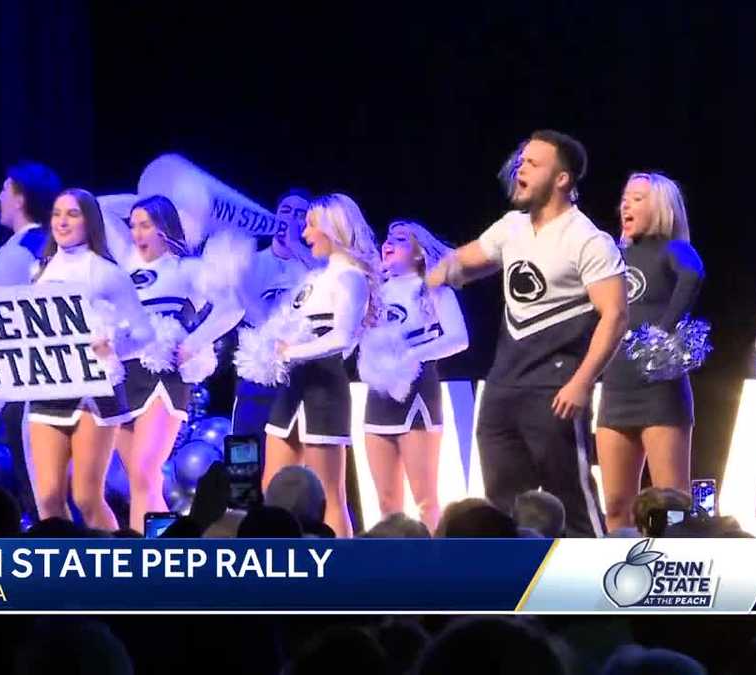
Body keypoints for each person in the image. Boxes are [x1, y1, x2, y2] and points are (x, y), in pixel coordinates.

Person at [427, 129, 628, 537]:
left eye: (533, 164)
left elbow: (616, 316)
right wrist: (422, 274)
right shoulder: (511, 227)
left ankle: (592, 591)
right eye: (521, 161)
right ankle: (511, 591)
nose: (520, 169)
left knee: (570, 500)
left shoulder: (588, 240)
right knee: (502, 505)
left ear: (562, 179)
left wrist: (581, 383)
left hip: (554, 390)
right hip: (502, 388)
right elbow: (461, 263)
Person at [26, 189, 153, 530]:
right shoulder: (38, 272)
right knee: (49, 497)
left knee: (85, 496)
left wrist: (113, 346)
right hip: (48, 389)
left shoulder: (106, 272)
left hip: (93, 391)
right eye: (56, 214)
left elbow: (143, 333)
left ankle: (117, 568)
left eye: (72, 214)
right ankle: (63, 572)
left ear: (90, 221)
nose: (62, 221)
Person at [115, 195, 243, 533]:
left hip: (163, 378)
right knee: (140, 483)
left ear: (165, 229)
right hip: (121, 377)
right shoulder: (123, 274)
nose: (137, 233)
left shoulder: (187, 269)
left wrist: (194, 342)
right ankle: (165, 552)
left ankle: (143, 564)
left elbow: (232, 308)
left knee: (145, 473)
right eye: (132, 226)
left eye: (146, 225)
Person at [262, 193, 381, 538]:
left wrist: (290, 352)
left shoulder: (351, 278)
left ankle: (341, 578)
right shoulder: (314, 277)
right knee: (275, 488)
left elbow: (342, 338)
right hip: (292, 387)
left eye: (311, 225)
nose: (304, 233)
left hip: (324, 388)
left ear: (333, 227)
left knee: (328, 494)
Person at [597, 172, 704, 530]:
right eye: (625, 197)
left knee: (671, 501)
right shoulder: (611, 256)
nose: (626, 203)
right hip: (615, 388)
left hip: (659, 391)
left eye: (638, 198)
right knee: (614, 504)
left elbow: (693, 274)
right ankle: (614, 578)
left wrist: (662, 331)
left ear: (660, 206)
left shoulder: (672, 249)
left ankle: (675, 573)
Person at [363, 220, 468, 532]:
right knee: (385, 501)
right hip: (378, 395)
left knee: (425, 500)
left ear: (420, 254)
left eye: (400, 239)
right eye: (387, 238)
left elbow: (459, 338)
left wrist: (410, 356)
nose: (388, 243)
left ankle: (432, 568)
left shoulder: (433, 289)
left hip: (417, 392)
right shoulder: (374, 291)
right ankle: (392, 567)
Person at [0, 161, 62, 525]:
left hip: (25, 386)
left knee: (37, 488)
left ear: (20, 196)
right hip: (50, 380)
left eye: (4, 189)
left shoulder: (19, 251)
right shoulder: (37, 245)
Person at [232, 189, 317, 453]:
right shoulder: (250, 262)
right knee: (243, 459)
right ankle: (242, 495)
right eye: (285, 212)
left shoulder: (315, 266)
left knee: (288, 459)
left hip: (298, 376)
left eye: (300, 214)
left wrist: (294, 245)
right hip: (254, 377)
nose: (291, 219)